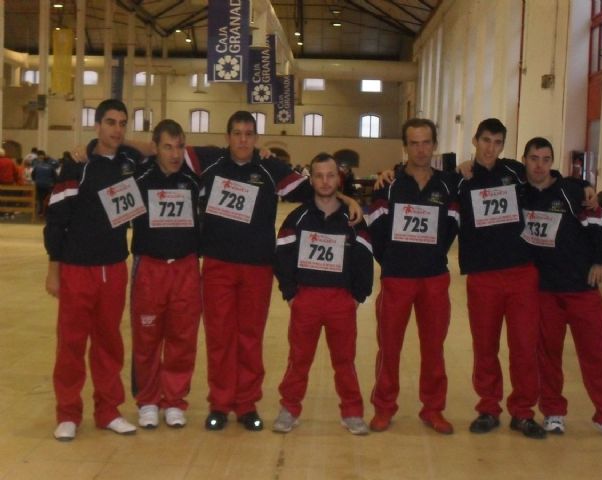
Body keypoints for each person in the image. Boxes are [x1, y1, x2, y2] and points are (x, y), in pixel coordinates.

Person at [186, 111, 362, 432]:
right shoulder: (210, 160)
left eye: (249, 134)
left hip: (257, 267)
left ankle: (246, 404)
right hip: (217, 265)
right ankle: (220, 404)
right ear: (228, 137)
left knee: (250, 338)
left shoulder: (270, 168)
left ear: (256, 138)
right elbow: (164, 149)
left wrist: (347, 198)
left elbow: (316, 189)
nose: (243, 140)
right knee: (219, 337)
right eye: (237, 133)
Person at [519, 137, 602, 443]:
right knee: (547, 356)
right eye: (534, 159)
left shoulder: (572, 192)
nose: (539, 165)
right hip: (544, 291)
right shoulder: (520, 193)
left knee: (596, 354)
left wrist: (601, 261)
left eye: (546, 159)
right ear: (524, 161)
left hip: (581, 289)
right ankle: (553, 412)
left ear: (552, 162)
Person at [44, 99, 142, 441]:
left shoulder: (131, 162)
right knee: (70, 344)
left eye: (122, 123)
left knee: (109, 343)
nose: (117, 129)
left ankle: (108, 411)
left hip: (113, 268)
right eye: (110, 122)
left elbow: (158, 148)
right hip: (77, 269)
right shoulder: (76, 165)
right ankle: (68, 413)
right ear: (97, 125)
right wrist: (54, 269)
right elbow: (56, 219)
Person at [367, 118, 459, 434]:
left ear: (435, 144)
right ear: (405, 146)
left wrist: (432, 254)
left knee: (434, 348)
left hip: (434, 278)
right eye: (414, 143)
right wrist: (393, 260)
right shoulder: (388, 184)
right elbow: (376, 228)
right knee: (389, 347)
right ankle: (384, 407)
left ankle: (433, 409)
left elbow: (451, 226)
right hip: (397, 279)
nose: (421, 150)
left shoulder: (448, 185)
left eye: (426, 142)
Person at [272, 152, 373, 435]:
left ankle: (352, 412)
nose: (325, 181)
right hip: (306, 299)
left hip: (341, 300)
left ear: (338, 179)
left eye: (330, 175)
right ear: (311, 180)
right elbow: (282, 256)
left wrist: (358, 296)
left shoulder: (353, 219)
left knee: (345, 361)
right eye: (319, 176)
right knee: (299, 359)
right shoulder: (297, 218)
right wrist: (291, 294)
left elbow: (365, 259)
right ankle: (289, 408)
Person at [456, 118, 545, 439]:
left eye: (497, 142)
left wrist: (584, 186)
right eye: (486, 141)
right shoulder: (461, 178)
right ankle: (488, 408)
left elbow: (546, 177)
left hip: (521, 273)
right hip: (482, 276)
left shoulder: (515, 172)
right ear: (475, 140)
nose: (490, 148)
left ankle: (523, 412)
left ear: (503, 146)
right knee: (485, 346)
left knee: (524, 346)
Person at [130, 120, 201, 429]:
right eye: (168, 147)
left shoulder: (195, 181)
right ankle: (147, 401)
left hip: (185, 268)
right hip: (150, 268)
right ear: (155, 148)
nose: (174, 154)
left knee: (182, 337)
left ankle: (174, 400)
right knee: (146, 337)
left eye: (180, 147)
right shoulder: (139, 179)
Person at [31, 149, 58, 215]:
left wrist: (36, 180)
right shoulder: (51, 167)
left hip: (39, 185)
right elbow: (55, 177)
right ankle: (46, 211)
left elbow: (33, 175)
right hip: (48, 185)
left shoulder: (37, 166)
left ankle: (40, 211)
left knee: (40, 199)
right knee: (48, 199)